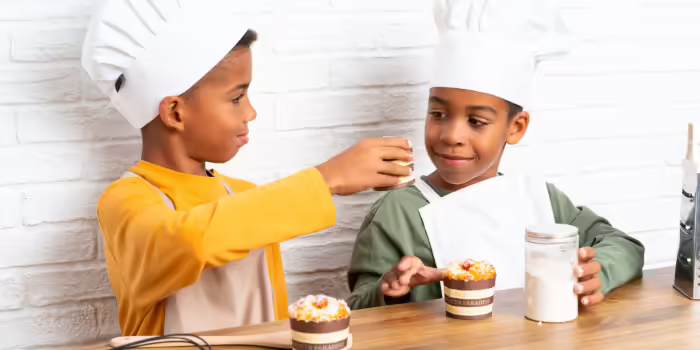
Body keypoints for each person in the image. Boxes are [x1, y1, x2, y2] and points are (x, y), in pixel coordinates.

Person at [82, 0, 412, 336]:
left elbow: (274, 317)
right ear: (175, 113)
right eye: (236, 97)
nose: (251, 112)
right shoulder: (125, 201)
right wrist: (326, 179)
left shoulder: (245, 196)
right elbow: (188, 241)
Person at [348, 0, 644, 310]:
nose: (451, 136)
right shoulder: (396, 213)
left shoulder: (541, 200)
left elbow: (625, 246)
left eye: (476, 121)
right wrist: (390, 287)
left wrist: (599, 273)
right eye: (438, 113)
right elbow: (358, 307)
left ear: (515, 128)